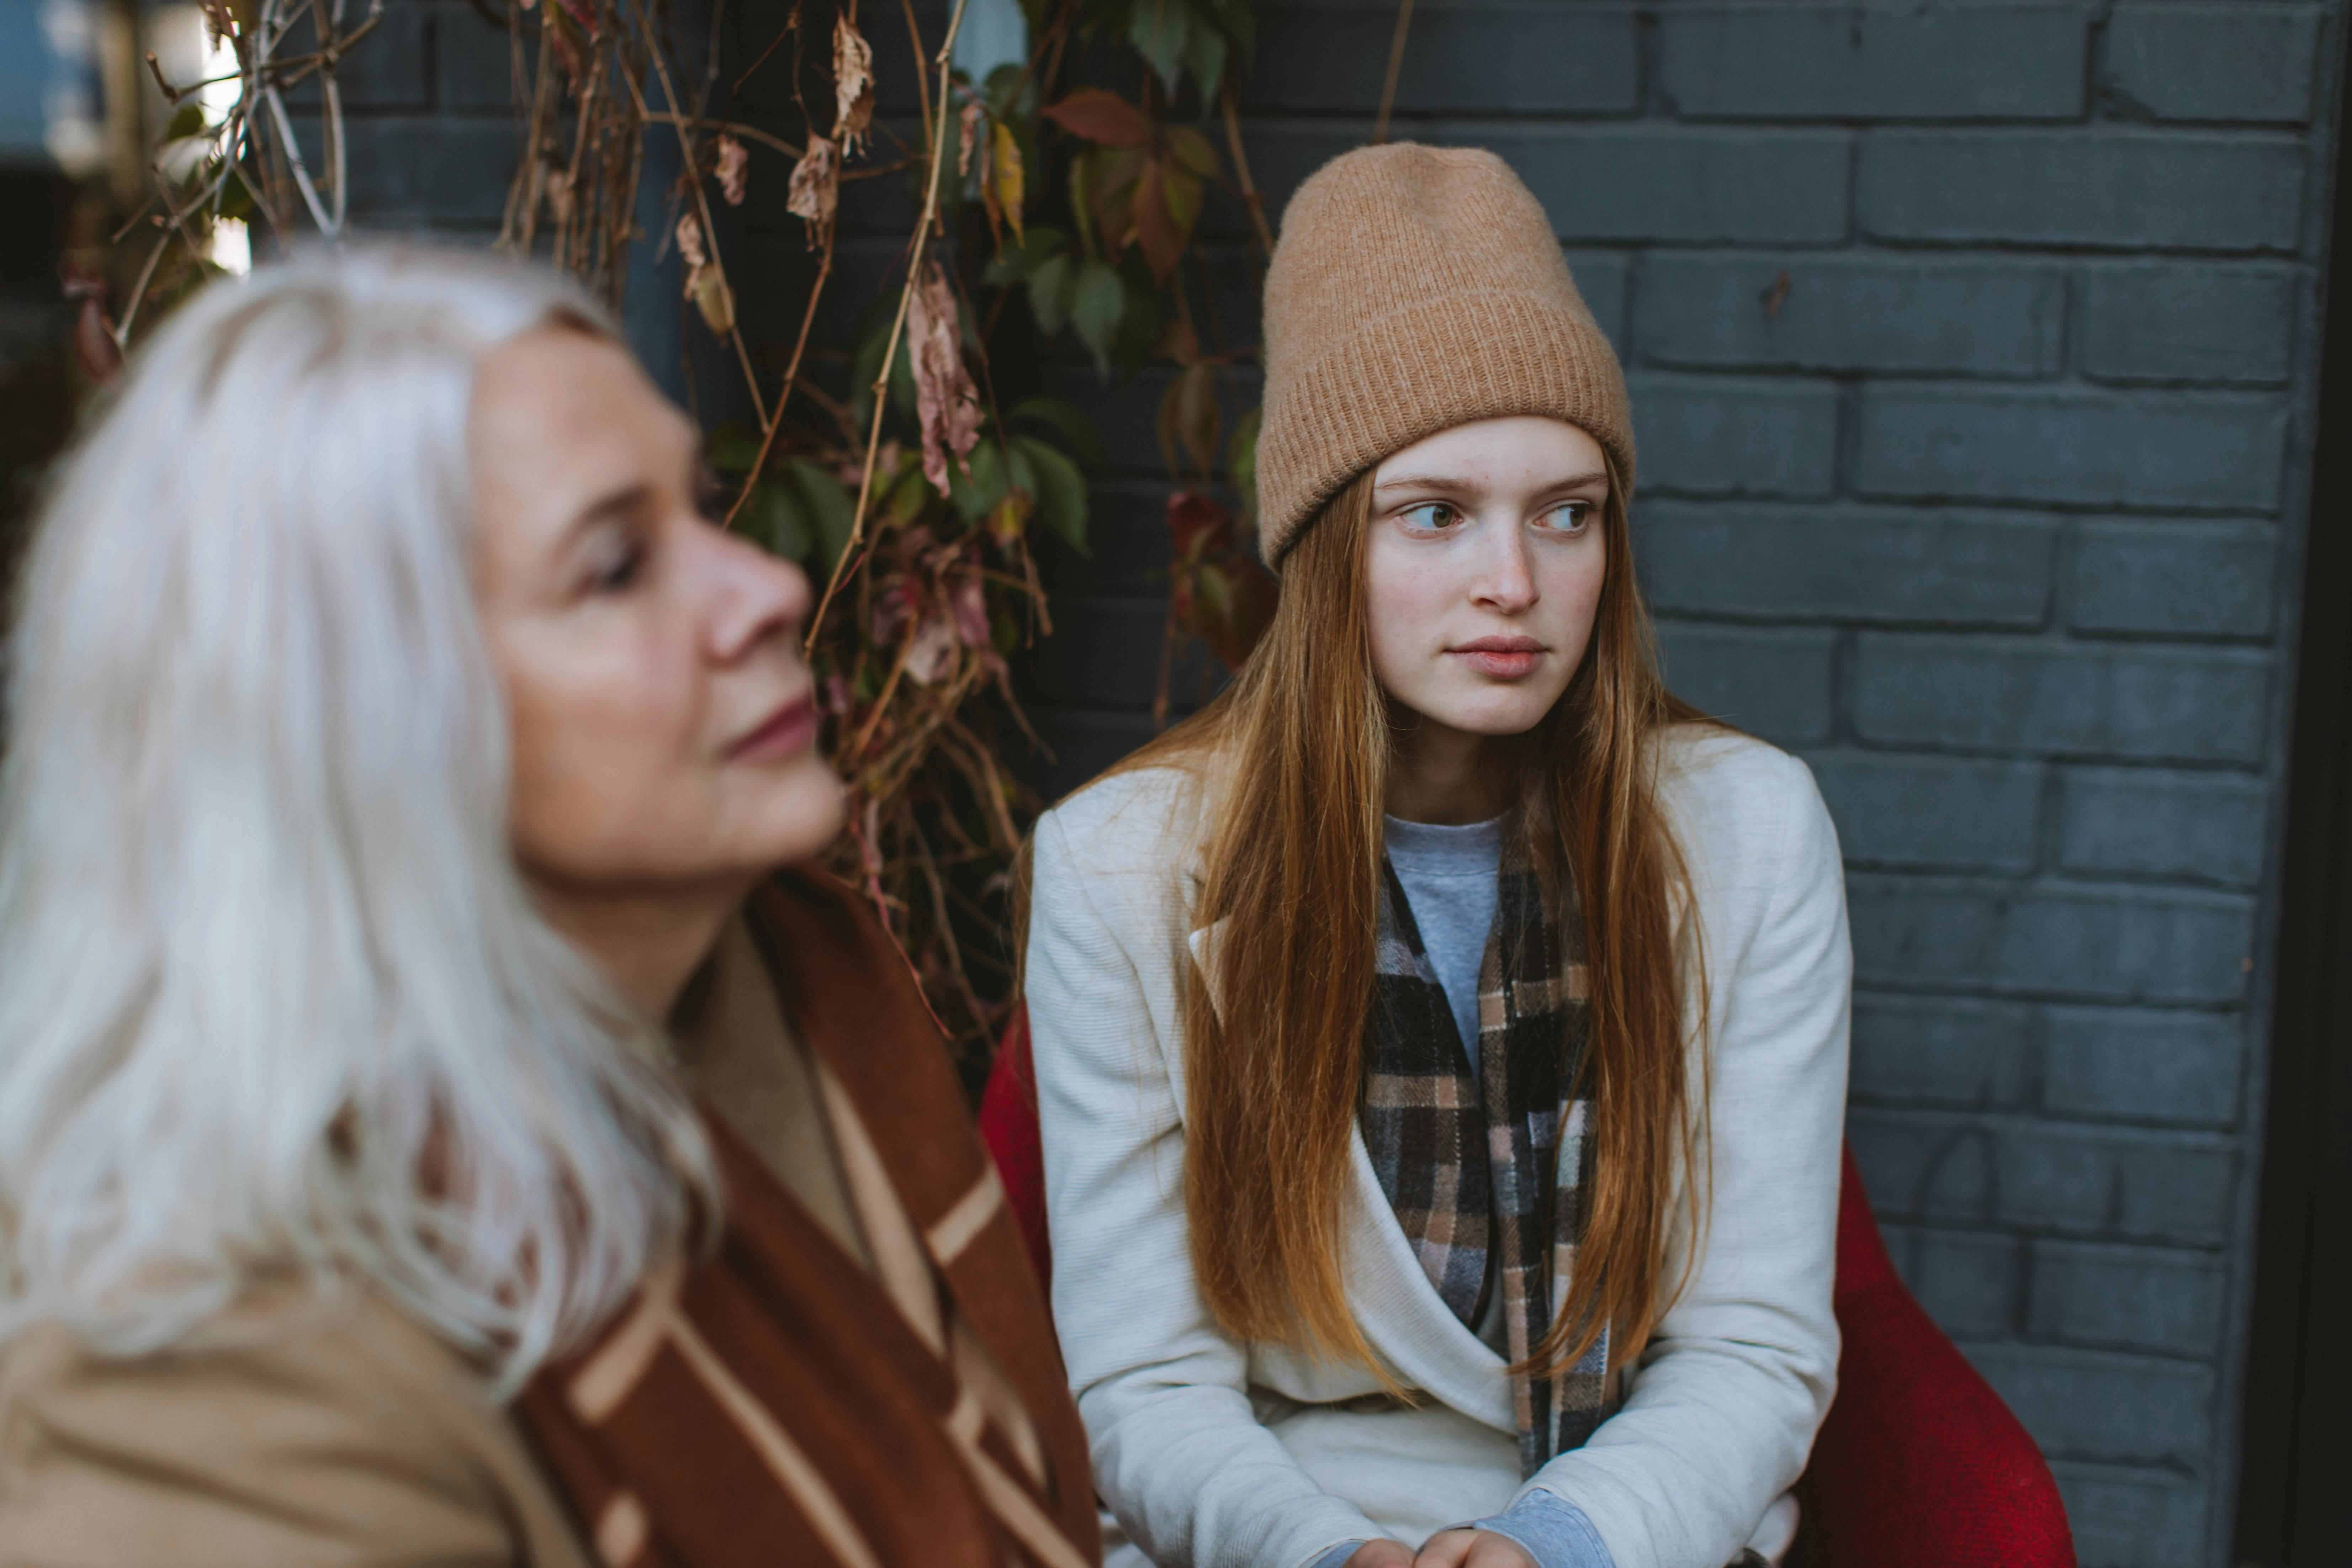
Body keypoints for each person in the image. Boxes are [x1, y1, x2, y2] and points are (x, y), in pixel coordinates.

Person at [0, 247, 1097, 1568]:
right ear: (354, 723)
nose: (768, 589)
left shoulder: (803, 973)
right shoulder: (206, 1369)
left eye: (700, 512)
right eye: (617, 568)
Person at [1022, 145, 1850, 1568]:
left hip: (1625, 1523)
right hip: (1285, 1528)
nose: (1514, 583)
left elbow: (1754, 1345)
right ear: (1327, 540)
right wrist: (1328, 1556)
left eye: (1566, 513)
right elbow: (1146, 1386)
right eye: (1436, 512)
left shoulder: (1749, 831)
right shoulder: (1118, 867)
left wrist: (1560, 1541)